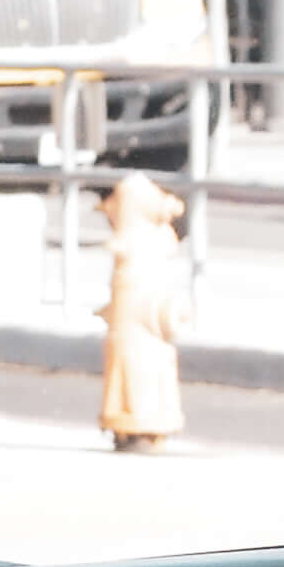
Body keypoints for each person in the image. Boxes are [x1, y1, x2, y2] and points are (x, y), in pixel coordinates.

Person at [99, 167, 183, 453]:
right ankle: (137, 419)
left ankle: (133, 419)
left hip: (143, 308)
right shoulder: (150, 238)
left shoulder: (142, 239)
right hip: (143, 309)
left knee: (139, 353)